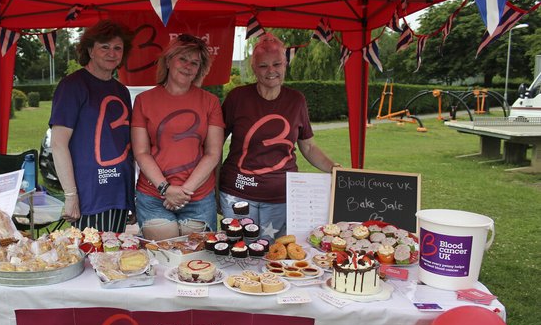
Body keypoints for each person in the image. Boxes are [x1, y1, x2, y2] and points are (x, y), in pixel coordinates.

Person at [218, 33, 339, 241]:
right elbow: (215, 144)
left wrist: (335, 169)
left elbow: (308, 147)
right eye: (263, 66)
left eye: (277, 64)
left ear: (285, 65)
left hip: (282, 197)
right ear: (254, 68)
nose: (271, 71)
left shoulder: (296, 100)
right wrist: (212, 187)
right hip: (237, 194)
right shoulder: (237, 97)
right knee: (239, 256)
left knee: (275, 258)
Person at [131, 34, 225, 236]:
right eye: (183, 59)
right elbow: (141, 152)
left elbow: (213, 153)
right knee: (165, 256)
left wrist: (184, 192)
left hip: (198, 196)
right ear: (168, 60)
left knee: (195, 260)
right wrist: (166, 189)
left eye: (195, 62)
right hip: (153, 194)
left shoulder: (210, 102)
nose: (188, 66)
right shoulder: (143, 100)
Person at [49, 19, 135, 232]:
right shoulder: (72, 86)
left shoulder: (121, 90)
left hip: (119, 190)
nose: (111, 53)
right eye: (104, 47)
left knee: (113, 258)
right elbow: (58, 144)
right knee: (92, 257)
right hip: (90, 192)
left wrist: (131, 196)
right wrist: (70, 195)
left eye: (117, 48)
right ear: (90, 50)